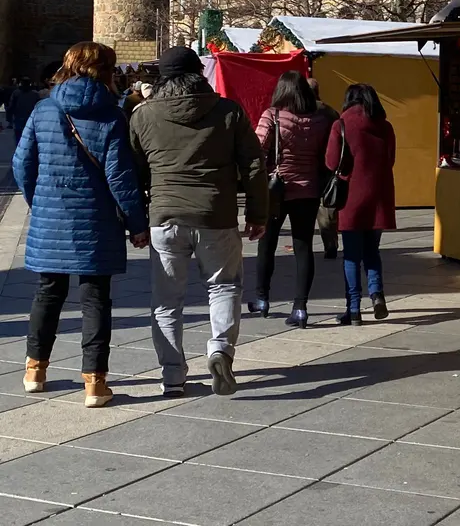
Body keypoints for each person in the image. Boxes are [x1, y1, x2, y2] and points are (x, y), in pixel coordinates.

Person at [13, 42, 149, 408]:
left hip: (50, 217)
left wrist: (38, 200)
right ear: (107, 71)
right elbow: (120, 177)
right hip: (97, 221)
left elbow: (21, 164)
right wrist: (137, 223)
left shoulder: (44, 109)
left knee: (47, 294)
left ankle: (34, 371)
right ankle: (94, 383)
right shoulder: (111, 115)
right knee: (96, 301)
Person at [130, 46, 268, 397]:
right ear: (199, 73)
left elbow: (133, 172)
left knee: (166, 302)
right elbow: (253, 165)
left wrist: (134, 222)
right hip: (216, 214)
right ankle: (220, 349)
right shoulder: (227, 111)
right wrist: (257, 213)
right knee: (223, 287)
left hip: (165, 216)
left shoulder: (143, 115)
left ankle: (172, 376)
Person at [250, 72, 332, 328]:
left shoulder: (272, 116)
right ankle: (300, 307)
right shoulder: (320, 119)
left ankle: (262, 299)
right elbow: (326, 155)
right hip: (308, 190)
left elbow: (257, 148)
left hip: (276, 189)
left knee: (267, 245)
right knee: (303, 247)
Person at [327, 83, 396, 325]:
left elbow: (331, 161)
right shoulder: (385, 127)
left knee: (351, 256)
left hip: (351, 198)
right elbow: (391, 159)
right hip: (379, 196)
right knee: (372, 252)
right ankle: (377, 295)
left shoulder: (341, 125)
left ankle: (354, 309)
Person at [308, 77, 341, 260]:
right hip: (326, 166)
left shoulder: (298, 111)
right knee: (327, 209)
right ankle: (330, 244)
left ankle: (305, 246)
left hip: (305, 166)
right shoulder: (330, 112)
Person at [9, 77, 40, 142]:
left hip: (19, 116)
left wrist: (10, 117)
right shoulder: (35, 94)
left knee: (19, 135)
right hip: (29, 117)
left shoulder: (16, 93)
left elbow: (11, 105)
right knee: (29, 135)